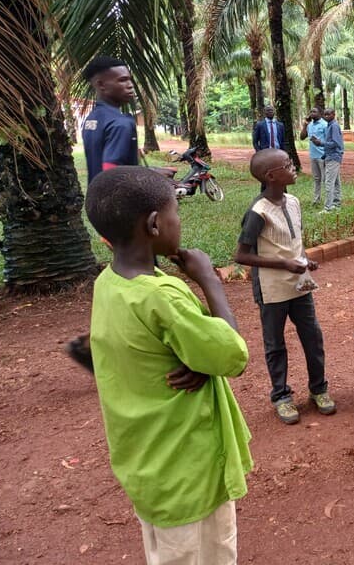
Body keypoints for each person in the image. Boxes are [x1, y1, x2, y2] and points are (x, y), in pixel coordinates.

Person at [85, 167, 252, 565]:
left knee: (166, 552)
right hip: (187, 466)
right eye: (177, 211)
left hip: (149, 462)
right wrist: (209, 279)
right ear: (155, 224)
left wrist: (201, 360)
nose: (180, 220)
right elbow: (232, 353)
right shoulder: (163, 297)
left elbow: (153, 348)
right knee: (203, 554)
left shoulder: (108, 283)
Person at [234, 149, 335, 425]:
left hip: (300, 285)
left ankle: (319, 389)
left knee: (312, 336)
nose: (293, 167)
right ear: (271, 176)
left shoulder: (293, 201)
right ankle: (281, 395)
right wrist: (283, 264)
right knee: (275, 343)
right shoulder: (258, 212)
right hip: (272, 289)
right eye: (287, 165)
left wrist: (305, 261)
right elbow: (241, 256)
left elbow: (292, 244)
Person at [81, 56, 139, 182]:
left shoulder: (91, 119)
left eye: (130, 80)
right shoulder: (120, 123)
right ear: (101, 84)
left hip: (95, 197)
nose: (130, 85)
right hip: (117, 199)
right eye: (122, 80)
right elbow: (111, 172)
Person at [300, 107, 328, 206]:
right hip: (313, 156)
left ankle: (328, 200)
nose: (312, 113)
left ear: (320, 113)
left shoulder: (324, 125)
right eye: (311, 111)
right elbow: (302, 137)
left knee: (325, 179)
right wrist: (305, 125)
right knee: (316, 178)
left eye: (314, 112)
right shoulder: (310, 125)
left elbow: (329, 141)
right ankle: (316, 199)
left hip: (323, 156)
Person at [321, 108, 344, 212]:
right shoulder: (330, 125)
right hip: (331, 156)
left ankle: (328, 207)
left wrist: (320, 143)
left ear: (333, 115)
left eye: (328, 114)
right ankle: (336, 203)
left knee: (329, 182)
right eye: (324, 114)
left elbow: (335, 143)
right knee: (336, 181)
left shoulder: (334, 126)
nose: (326, 116)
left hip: (333, 157)